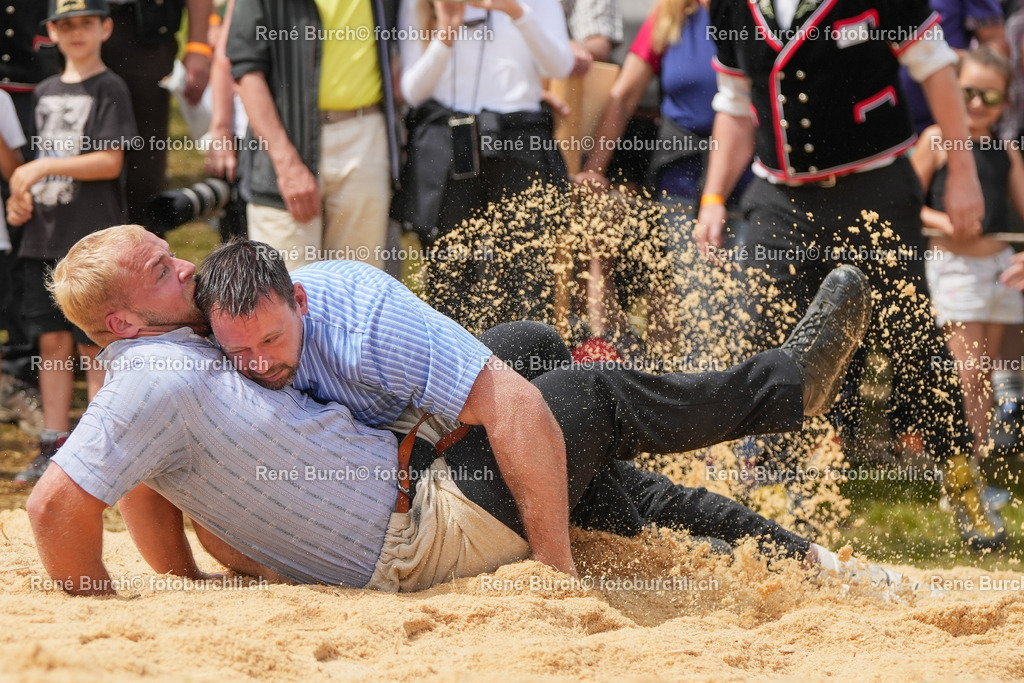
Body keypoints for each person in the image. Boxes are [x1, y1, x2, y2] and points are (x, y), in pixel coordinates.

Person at [28, 224, 880, 596]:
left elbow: (145, 477)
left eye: (171, 255)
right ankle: (787, 393)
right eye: (160, 268)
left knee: (533, 354)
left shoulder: (209, 342)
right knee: (585, 399)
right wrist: (553, 573)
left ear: (298, 302)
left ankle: (794, 539)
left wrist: (192, 580)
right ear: (122, 322)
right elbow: (83, 494)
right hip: (413, 513)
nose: (182, 265)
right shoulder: (163, 368)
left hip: (420, 469)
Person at [698, 0, 1007, 549]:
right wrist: (714, 196)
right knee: (765, 341)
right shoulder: (728, 5)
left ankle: (963, 482)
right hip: (780, 201)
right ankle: (789, 494)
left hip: (875, 191)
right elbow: (735, 105)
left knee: (912, 340)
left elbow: (938, 70)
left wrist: (963, 172)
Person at [5, 0, 138, 484]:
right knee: (52, 342)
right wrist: (19, 200)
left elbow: (109, 161)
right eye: (66, 25)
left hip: (92, 243)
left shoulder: (110, 87)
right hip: (43, 237)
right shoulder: (43, 90)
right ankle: (54, 444)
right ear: (51, 33)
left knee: (93, 344)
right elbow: (31, 172)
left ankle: (98, 449)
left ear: (106, 27)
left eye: (86, 22)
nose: (76, 32)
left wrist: (41, 166)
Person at [394, 0, 574, 324]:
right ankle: (455, 356)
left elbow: (560, 66)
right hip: (449, 142)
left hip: (519, 139)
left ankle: (525, 356)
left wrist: (516, 11)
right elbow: (412, 92)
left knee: (527, 275)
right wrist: (447, 31)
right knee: (449, 277)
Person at [226, 0, 400, 271]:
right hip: (283, 146)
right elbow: (246, 71)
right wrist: (286, 164)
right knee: (287, 284)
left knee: (358, 283)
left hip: (366, 136)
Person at [913, 48, 1024, 465]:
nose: (978, 103)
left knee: (994, 375)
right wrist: (943, 222)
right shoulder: (935, 140)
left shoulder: (1006, 149)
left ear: (1005, 101)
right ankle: (960, 471)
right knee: (968, 374)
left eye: (990, 96)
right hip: (953, 268)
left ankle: (980, 464)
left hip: (1000, 271)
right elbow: (905, 204)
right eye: (968, 92)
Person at [101, 0, 211, 225]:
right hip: (73, 23)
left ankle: (146, 242)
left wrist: (199, 47)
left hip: (143, 32)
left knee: (143, 171)